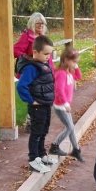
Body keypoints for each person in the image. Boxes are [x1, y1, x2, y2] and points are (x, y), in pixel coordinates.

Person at [16, 35, 57, 173]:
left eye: (49, 54)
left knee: (44, 130)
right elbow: (21, 86)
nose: (48, 57)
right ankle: (34, 159)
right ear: (35, 52)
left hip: (45, 104)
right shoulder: (31, 68)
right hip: (37, 106)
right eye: (45, 54)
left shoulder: (43, 65)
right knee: (36, 132)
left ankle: (41, 154)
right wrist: (31, 101)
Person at [49, 44, 84, 162]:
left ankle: (76, 149)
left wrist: (75, 66)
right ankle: (54, 145)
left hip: (65, 105)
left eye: (76, 62)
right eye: (73, 61)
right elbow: (58, 90)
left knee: (71, 128)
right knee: (69, 127)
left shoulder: (70, 72)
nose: (75, 64)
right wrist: (65, 103)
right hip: (60, 106)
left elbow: (79, 76)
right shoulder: (61, 74)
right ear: (66, 60)